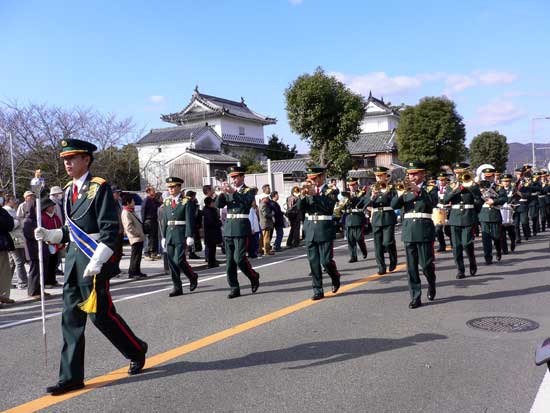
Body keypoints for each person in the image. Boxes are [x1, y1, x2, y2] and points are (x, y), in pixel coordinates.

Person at [35, 138, 148, 395]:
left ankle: (136, 349)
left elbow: (109, 230)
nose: (67, 163)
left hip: (94, 260)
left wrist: (98, 261)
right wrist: (51, 235)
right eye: (65, 159)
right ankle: (71, 377)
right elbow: (70, 231)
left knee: (101, 316)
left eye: (72, 158)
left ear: (86, 159)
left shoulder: (100, 188)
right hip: (74, 260)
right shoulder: (68, 191)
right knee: (70, 319)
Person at [391, 161, 437, 309]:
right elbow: (394, 206)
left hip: (424, 230)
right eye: (410, 174)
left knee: (426, 265)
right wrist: (399, 194)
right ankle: (416, 296)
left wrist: (419, 190)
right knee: (411, 268)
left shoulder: (430, 189)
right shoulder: (405, 190)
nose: (412, 176)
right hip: (409, 231)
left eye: (415, 173)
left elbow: (433, 203)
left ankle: (431, 283)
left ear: (422, 174)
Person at [296, 166, 341, 301]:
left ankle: (335, 276)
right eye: (310, 178)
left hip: (324, 228)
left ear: (322, 177)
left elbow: (328, 207)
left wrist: (315, 195)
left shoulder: (331, 190)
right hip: (310, 228)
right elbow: (299, 208)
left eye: (315, 178)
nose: (312, 181)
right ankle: (317, 290)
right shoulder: (307, 192)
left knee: (326, 261)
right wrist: (303, 196)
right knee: (313, 262)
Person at [215, 166, 260, 299]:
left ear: (242, 177)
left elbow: (246, 202)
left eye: (235, 177)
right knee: (230, 262)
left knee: (239, 259)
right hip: (229, 227)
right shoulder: (229, 191)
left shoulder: (248, 190)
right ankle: (234, 287)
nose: (233, 180)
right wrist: (222, 193)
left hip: (241, 227)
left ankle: (253, 276)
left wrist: (233, 193)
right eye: (232, 177)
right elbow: (218, 205)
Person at [161, 177, 199, 297]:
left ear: (179, 187)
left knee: (179, 259)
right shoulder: (167, 202)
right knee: (172, 262)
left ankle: (192, 276)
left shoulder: (186, 201)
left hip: (181, 233)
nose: (171, 189)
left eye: (173, 187)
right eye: (169, 187)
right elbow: (165, 220)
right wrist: (163, 236)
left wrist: (189, 235)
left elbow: (189, 220)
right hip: (169, 234)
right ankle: (177, 287)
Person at [443, 163, 481, 279]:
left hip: (468, 216)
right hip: (455, 217)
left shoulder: (473, 185)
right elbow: (445, 200)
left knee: (467, 243)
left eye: (461, 171)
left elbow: (479, 199)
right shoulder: (451, 185)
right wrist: (456, 190)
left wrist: (471, 187)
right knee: (456, 246)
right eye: (457, 171)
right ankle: (460, 270)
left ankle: (472, 260)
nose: (458, 173)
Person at [365, 166, 397, 274]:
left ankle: (393, 260)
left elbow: (395, 203)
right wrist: (372, 197)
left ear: (385, 175)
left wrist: (386, 194)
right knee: (378, 244)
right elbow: (365, 204)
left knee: (388, 242)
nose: (378, 178)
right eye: (377, 176)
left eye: (380, 175)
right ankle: (381, 267)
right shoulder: (371, 188)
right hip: (376, 217)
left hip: (388, 216)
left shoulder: (392, 188)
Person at [477, 167, 507, 265]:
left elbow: (504, 198)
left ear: (493, 176)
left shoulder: (498, 187)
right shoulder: (480, 186)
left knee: (496, 236)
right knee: (485, 238)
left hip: (494, 212)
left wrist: (494, 201)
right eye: (486, 177)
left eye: (489, 177)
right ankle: (488, 257)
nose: (487, 178)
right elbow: (476, 200)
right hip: (484, 214)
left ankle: (498, 250)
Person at [4, 195, 28, 289]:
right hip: (14, 239)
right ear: (9, 201)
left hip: (16, 238)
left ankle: (7, 282)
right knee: (19, 261)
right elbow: (10, 225)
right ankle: (22, 282)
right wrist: (17, 221)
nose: (16, 201)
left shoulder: (12, 210)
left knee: (12, 262)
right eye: (14, 200)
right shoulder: (7, 211)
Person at [341, 177, 368, 263]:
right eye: (350, 185)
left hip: (358, 218)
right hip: (349, 218)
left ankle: (364, 250)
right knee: (350, 239)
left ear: (356, 185)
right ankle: (353, 256)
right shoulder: (345, 195)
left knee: (359, 237)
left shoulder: (361, 193)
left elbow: (363, 202)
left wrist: (353, 198)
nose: (351, 187)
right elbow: (343, 207)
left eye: (353, 185)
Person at [121, 193, 147, 279]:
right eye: (132, 201)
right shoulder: (126, 213)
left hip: (138, 237)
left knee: (138, 256)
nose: (134, 203)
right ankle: (132, 272)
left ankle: (137, 271)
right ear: (128, 203)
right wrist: (138, 233)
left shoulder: (130, 211)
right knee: (135, 256)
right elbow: (129, 227)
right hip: (135, 237)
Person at [41, 198, 63, 287]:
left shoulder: (55, 216)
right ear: (46, 208)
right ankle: (46, 282)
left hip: (55, 242)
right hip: (47, 243)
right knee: (47, 263)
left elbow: (60, 226)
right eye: (51, 206)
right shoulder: (42, 217)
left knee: (54, 262)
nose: (53, 207)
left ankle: (52, 280)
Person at [141, 186, 161, 260]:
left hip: (154, 220)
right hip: (148, 221)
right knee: (148, 238)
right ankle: (146, 253)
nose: (154, 192)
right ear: (148, 192)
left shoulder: (154, 200)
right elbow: (143, 212)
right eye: (153, 190)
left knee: (154, 238)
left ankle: (153, 253)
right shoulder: (146, 200)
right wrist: (143, 223)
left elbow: (160, 205)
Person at [0, 203, 14, 305]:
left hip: (2, 245)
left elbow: (10, 225)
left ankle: (4, 296)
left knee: (5, 272)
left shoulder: (2, 211)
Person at [434, 172, 452, 252]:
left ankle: (453, 243)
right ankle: (442, 245)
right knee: (438, 229)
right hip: (439, 210)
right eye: (440, 180)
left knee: (449, 230)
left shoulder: (450, 188)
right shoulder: (435, 188)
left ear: (446, 180)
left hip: (448, 209)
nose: (441, 182)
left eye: (443, 180)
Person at [203, 196, 223, 268]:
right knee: (211, 248)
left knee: (213, 248)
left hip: (213, 232)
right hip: (210, 232)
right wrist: (219, 223)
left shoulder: (212, 209)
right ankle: (211, 262)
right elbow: (210, 222)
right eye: (212, 202)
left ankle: (213, 261)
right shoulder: (207, 211)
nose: (213, 203)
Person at [500, 174, 517, 254]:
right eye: (504, 181)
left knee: (512, 233)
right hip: (501, 211)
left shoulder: (514, 189)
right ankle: (505, 249)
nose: (506, 183)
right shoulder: (498, 189)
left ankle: (513, 242)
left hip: (511, 212)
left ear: (510, 182)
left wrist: (514, 204)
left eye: (507, 181)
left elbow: (518, 198)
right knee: (502, 234)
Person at [111, 186, 124, 276]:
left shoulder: (118, 203)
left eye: (119, 193)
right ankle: (113, 270)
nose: (118, 194)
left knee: (119, 252)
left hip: (120, 231)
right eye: (116, 193)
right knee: (114, 253)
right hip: (114, 232)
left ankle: (117, 268)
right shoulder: (109, 204)